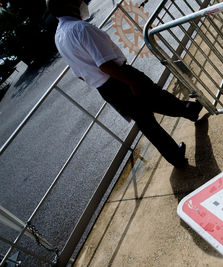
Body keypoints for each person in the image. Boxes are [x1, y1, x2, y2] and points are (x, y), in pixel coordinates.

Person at [46, 0, 203, 168]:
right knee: (156, 98)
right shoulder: (81, 29)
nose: (81, 2)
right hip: (120, 78)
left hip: (105, 88)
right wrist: (131, 81)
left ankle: (176, 154)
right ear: (67, 5)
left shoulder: (59, 36)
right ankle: (188, 110)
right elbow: (105, 64)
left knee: (146, 122)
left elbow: (80, 74)